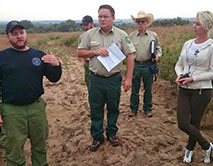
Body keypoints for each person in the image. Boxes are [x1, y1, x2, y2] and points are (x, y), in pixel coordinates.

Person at [0, 20, 62, 166]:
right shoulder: (2, 57)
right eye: (14, 34)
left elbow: (54, 78)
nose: (19, 36)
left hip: (36, 108)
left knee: (40, 147)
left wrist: (57, 64)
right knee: (14, 151)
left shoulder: (39, 55)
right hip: (11, 110)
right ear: (7, 37)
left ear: (26, 34)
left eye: (21, 32)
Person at [77, 4, 135, 151]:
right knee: (95, 109)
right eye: (100, 16)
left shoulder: (122, 35)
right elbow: (80, 53)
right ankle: (97, 137)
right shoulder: (89, 34)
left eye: (105, 16)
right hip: (95, 79)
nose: (102, 19)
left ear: (113, 18)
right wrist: (95, 51)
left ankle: (111, 133)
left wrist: (128, 78)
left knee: (113, 108)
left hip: (113, 79)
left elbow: (130, 55)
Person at [175, 11, 213, 164]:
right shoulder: (188, 44)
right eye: (194, 23)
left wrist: (194, 78)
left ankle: (189, 150)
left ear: (207, 26)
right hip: (184, 88)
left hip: (202, 90)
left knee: (195, 123)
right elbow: (179, 64)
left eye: (198, 24)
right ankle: (207, 146)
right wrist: (179, 75)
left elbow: (212, 72)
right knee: (183, 123)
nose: (194, 26)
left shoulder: (211, 47)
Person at [129, 11, 162, 118]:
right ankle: (133, 109)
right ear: (136, 23)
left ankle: (147, 109)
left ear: (147, 22)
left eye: (142, 21)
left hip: (148, 64)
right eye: (138, 21)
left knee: (148, 89)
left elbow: (158, 49)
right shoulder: (131, 36)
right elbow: (127, 50)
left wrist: (157, 56)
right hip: (135, 64)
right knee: (135, 89)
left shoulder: (153, 35)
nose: (140, 23)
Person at [79, 15, 94, 89]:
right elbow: (80, 51)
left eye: (86, 25)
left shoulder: (98, 34)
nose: (85, 27)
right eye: (84, 25)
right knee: (88, 81)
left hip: (98, 62)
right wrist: (84, 63)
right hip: (88, 62)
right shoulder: (82, 36)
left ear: (91, 23)